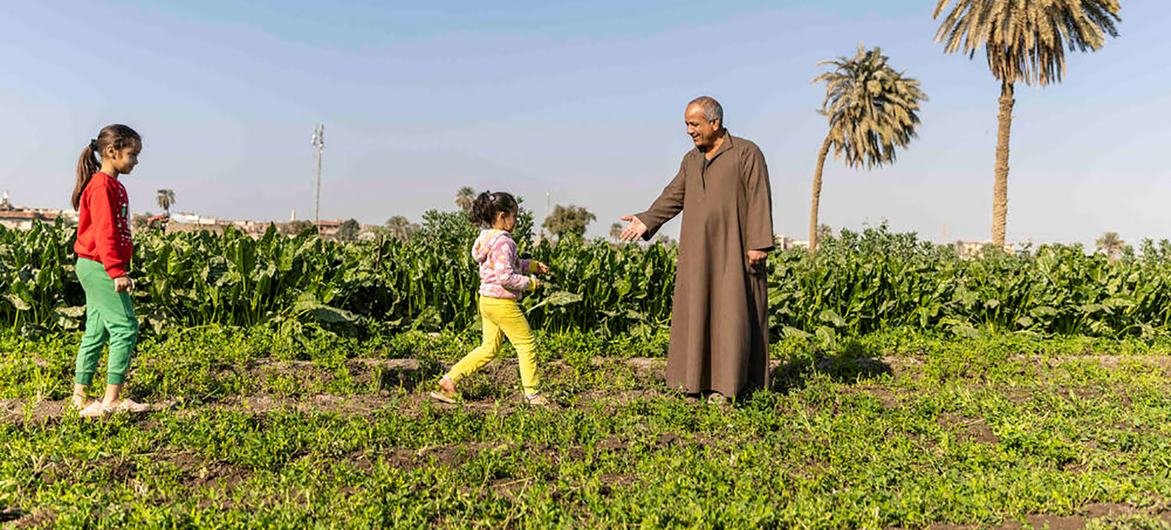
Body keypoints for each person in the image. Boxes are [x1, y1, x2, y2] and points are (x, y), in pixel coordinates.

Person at [620, 96, 774, 403]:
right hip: (697, 253)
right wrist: (647, 219)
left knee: (733, 315)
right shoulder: (691, 161)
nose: (689, 131)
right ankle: (692, 383)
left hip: (735, 249)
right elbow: (673, 196)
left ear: (714, 123)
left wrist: (758, 242)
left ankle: (729, 387)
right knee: (696, 312)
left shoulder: (746, 152)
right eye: (687, 125)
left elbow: (759, 196)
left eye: (694, 124)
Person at [431, 191, 551, 406]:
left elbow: (505, 264)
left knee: (489, 348)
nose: (515, 221)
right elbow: (505, 277)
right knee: (526, 344)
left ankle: (449, 380)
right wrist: (530, 283)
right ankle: (532, 394)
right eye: (514, 216)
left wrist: (531, 265)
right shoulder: (505, 242)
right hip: (502, 303)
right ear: (503, 216)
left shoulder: (486, 239)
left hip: (486, 300)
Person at [70, 124, 150, 418]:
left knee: (97, 330)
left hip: (93, 264)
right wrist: (117, 271)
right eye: (132, 154)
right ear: (111, 151)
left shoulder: (112, 185)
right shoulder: (102, 186)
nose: (136, 161)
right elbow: (105, 233)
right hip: (100, 265)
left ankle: (80, 398)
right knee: (126, 327)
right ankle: (112, 400)